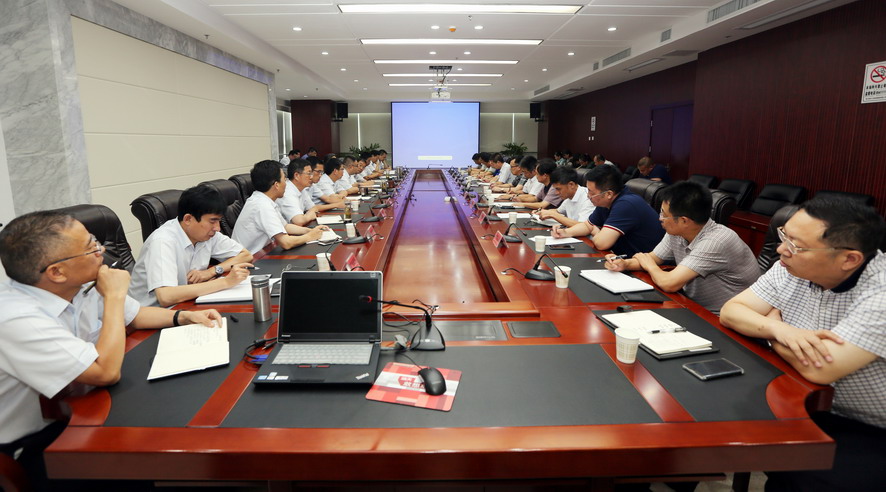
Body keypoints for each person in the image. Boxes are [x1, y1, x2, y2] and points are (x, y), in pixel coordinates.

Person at [0, 211, 221, 488]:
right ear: (56, 272)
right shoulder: (16, 318)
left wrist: (182, 317)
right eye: (90, 248)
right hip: (32, 442)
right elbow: (104, 372)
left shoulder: (79, 282)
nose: (101, 251)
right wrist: (114, 296)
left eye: (94, 241)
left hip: (79, 405)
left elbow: (135, 315)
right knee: (139, 457)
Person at [720, 197, 885, 492]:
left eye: (796, 245)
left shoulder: (880, 294)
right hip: (800, 397)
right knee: (715, 418)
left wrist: (768, 335)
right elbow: (731, 311)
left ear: (849, 259)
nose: (781, 249)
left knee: (804, 477)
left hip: (866, 425)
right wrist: (778, 328)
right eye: (784, 236)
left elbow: (820, 369)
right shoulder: (791, 266)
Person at [604, 181, 759, 312]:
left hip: (721, 318)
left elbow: (669, 283)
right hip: (691, 306)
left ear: (684, 221)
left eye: (664, 214)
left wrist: (649, 265)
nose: (660, 218)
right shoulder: (676, 231)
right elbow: (653, 257)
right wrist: (624, 264)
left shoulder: (716, 241)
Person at [129, 185, 254, 307]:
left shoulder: (208, 234)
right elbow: (166, 296)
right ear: (188, 219)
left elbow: (245, 255)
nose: (217, 228)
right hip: (152, 313)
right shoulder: (163, 241)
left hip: (186, 302)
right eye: (212, 221)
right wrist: (226, 282)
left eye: (219, 221)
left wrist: (212, 271)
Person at [552, 164, 664, 256]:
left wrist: (596, 232)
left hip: (647, 266)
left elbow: (601, 243)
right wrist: (565, 232)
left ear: (609, 194)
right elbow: (587, 225)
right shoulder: (605, 202)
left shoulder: (626, 204)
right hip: (622, 259)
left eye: (591, 192)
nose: (588, 195)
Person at [232, 160, 328, 254]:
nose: (286, 183)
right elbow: (286, 243)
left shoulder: (265, 200)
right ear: (276, 185)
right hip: (251, 259)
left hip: (264, 252)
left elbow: (285, 226)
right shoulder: (262, 205)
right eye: (284, 179)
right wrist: (309, 236)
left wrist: (310, 231)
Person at [278, 160, 319, 226]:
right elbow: (299, 221)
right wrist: (309, 215)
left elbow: (314, 208)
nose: (311, 177)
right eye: (309, 174)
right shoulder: (287, 192)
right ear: (296, 175)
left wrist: (307, 216)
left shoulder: (301, 189)